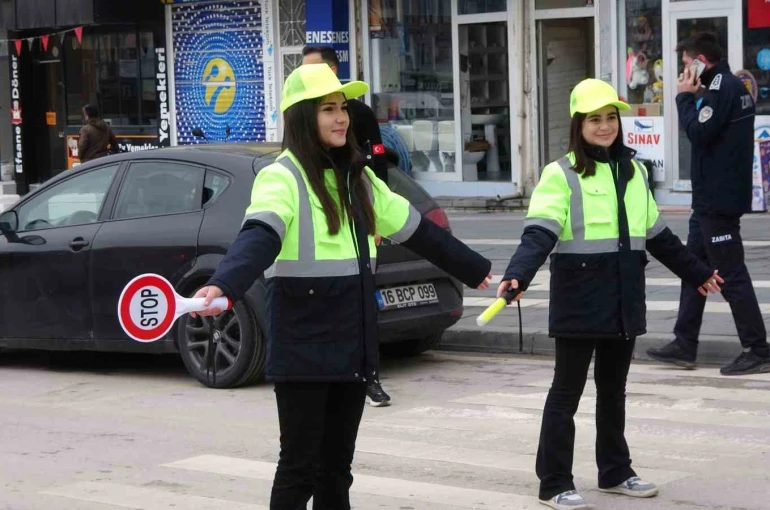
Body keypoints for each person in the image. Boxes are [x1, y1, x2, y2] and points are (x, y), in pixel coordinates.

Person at [191, 63, 492, 509]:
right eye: (327, 109)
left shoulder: (359, 176)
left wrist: (475, 269)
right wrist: (224, 285)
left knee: (337, 468)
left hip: (352, 339)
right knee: (299, 468)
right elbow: (260, 235)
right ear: (302, 118)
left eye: (342, 108)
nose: (341, 118)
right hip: (303, 344)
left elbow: (417, 229)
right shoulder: (283, 176)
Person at [498, 78, 723, 510]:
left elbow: (658, 235)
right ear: (579, 125)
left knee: (613, 390)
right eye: (595, 119)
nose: (605, 127)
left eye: (611, 118)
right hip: (580, 297)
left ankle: (615, 471)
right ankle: (554, 482)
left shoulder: (634, 171)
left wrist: (696, 271)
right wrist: (517, 275)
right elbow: (539, 234)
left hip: (623, 295)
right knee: (566, 392)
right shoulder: (559, 173)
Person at [646, 32, 770, 376]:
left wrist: (683, 98)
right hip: (710, 201)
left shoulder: (721, 89)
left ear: (701, 59)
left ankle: (758, 348)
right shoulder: (727, 87)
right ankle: (685, 342)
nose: (685, 70)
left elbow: (699, 133)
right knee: (694, 271)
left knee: (730, 274)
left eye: (687, 62)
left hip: (718, 201)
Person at [301, 45, 394, 407]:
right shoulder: (304, 118)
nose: (337, 117)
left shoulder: (358, 114)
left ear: (334, 70)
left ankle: (370, 377)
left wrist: (374, 218)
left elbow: (377, 164)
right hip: (321, 232)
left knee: (365, 307)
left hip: (359, 220)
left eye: (316, 69)